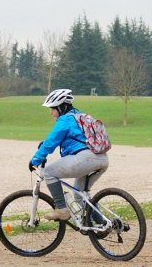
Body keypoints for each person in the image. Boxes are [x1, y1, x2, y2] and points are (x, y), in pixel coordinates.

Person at [28, 88, 109, 221]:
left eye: (52, 109)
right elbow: (74, 137)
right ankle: (104, 224)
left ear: (61, 107)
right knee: (79, 193)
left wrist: (36, 159)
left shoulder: (65, 120)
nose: (51, 113)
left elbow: (51, 142)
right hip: (102, 159)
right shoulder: (81, 116)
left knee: (48, 172)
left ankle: (61, 209)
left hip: (85, 158)